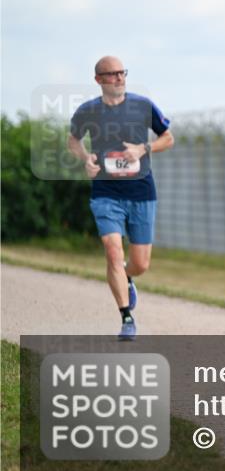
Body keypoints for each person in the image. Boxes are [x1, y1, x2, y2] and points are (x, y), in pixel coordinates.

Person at [67, 57, 174, 341]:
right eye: (112, 74)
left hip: (141, 192)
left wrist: (143, 149)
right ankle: (127, 317)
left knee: (141, 264)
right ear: (98, 80)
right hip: (106, 192)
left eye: (122, 73)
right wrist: (85, 158)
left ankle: (127, 277)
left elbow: (168, 138)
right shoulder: (88, 111)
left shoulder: (143, 106)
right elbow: (73, 141)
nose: (119, 78)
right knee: (113, 251)